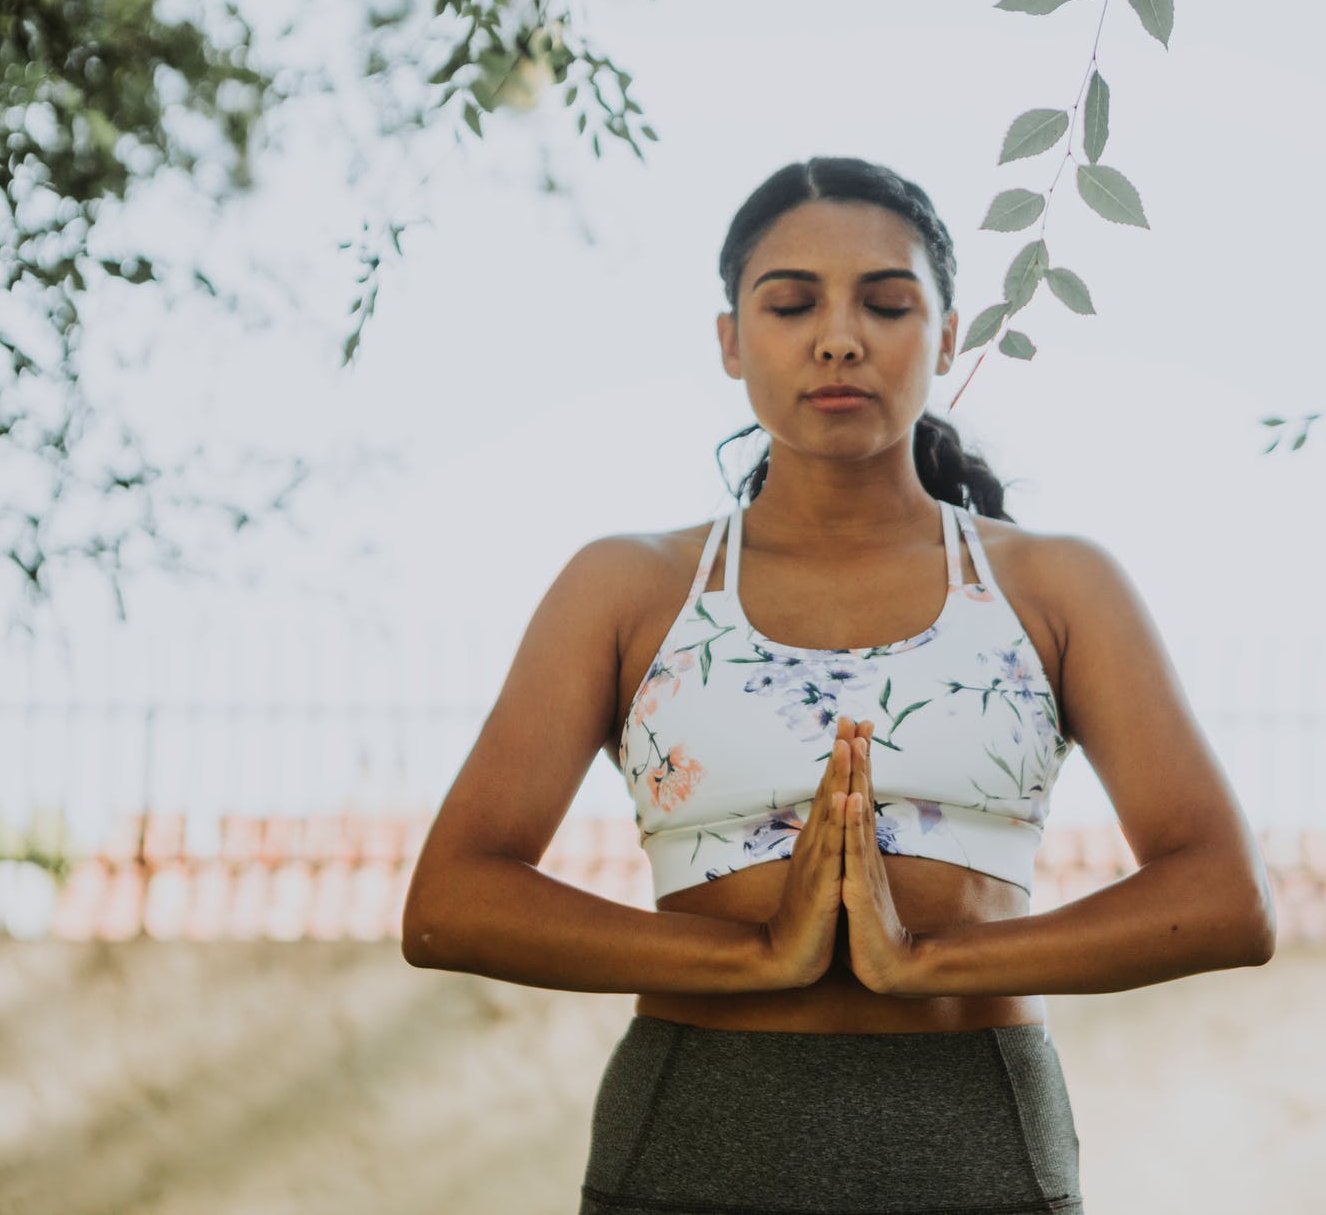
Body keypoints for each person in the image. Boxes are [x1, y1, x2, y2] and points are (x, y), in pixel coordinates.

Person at [401, 155, 1275, 1214]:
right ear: (730, 339)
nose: (838, 336)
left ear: (945, 335)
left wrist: (926, 958)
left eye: (886, 301)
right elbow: (450, 903)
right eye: (790, 301)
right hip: (693, 1131)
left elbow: (1224, 897)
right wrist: (753, 956)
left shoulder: (1053, 585)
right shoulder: (626, 586)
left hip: (975, 1136)